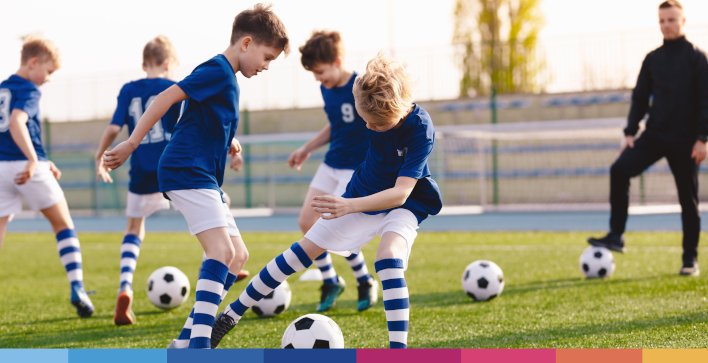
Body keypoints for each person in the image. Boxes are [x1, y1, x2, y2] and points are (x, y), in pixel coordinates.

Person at [211, 53, 442, 349]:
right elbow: (339, 127)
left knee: (388, 258)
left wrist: (348, 205)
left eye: (377, 125)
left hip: (406, 203)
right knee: (300, 252)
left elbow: (401, 192)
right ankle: (229, 316)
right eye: (366, 122)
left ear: (397, 111)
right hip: (362, 191)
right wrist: (309, 150)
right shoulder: (367, 107)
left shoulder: (421, 127)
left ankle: (398, 350)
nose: (369, 128)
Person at [103, 3, 289, 348]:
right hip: (186, 170)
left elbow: (198, 116)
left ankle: (186, 339)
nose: (265, 67)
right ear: (246, 43)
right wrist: (131, 142)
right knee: (220, 251)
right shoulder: (218, 69)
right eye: (266, 58)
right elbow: (166, 97)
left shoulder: (224, 77)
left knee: (237, 256)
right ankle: (200, 344)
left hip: (199, 172)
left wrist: (229, 144)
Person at [588, 0, 708, 277]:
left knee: (687, 200)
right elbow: (640, 97)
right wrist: (630, 132)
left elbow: (705, 101)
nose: (667, 25)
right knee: (619, 170)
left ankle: (689, 259)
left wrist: (702, 138)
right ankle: (616, 235)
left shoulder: (697, 59)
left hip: (686, 141)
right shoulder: (653, 59)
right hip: (654, 135)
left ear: (683, 21)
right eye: (662, 21)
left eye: (672, 20)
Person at [0, 36, 94, 317]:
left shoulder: (2, 88)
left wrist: (41, 158)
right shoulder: (28, 88)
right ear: (33, 63)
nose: (49, 79)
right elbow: (18, 123)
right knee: (63, 225)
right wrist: (33, 160)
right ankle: (77, 287)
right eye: (49, 71)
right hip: (26, 168)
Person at [288, 30, 377, 312]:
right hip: (331, 163)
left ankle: (365, 281)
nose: (317, 78)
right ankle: (331, 280)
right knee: (306, 222)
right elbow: (336, 125)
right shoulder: (326, 89)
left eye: (320, 71)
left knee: (336, 228)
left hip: (356, 168)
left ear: (338, 61)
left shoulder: (363, 85)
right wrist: (307, 148)